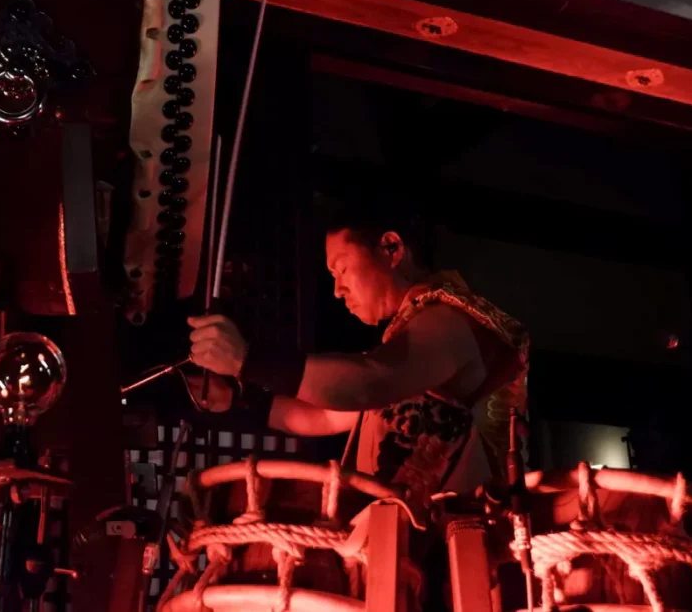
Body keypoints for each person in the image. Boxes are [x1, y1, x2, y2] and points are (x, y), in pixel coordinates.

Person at [186, 199, 529, 507]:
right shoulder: (404, 348)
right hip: (407, 532)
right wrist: (236, 398)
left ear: (391, 248)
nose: (337, 290)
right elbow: (322, 416)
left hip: (465, 534)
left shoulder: (450, 318)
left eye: (342, 268)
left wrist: (247, 359)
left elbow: (370, 380)